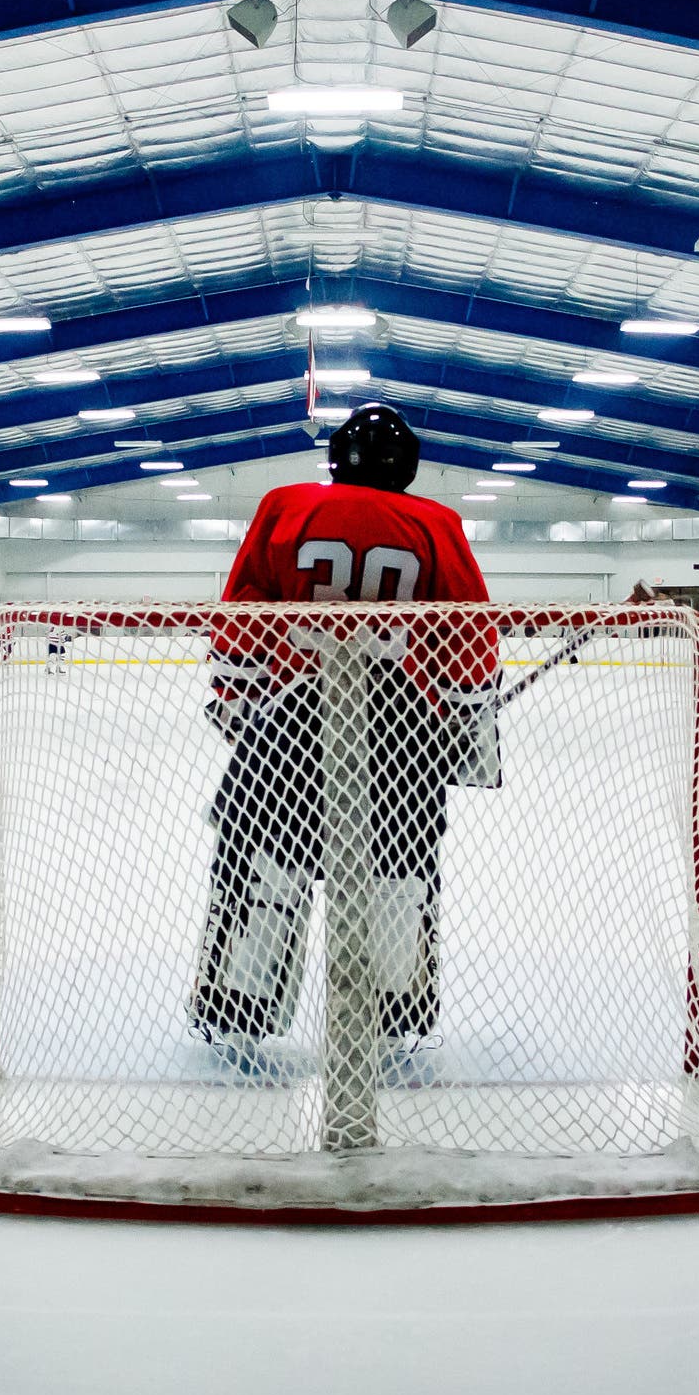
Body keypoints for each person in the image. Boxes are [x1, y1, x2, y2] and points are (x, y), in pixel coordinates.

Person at [190, 404, 499, 1072]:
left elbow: (244, 606)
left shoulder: (285, 504)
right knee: (399, 873)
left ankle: (237, 1005)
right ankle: (395, 1014)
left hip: (290, 720)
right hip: (400, 727)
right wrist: (466, 721)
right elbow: (469, 630)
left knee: (263, 862)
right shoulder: (436, 522)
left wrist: (236, 700)